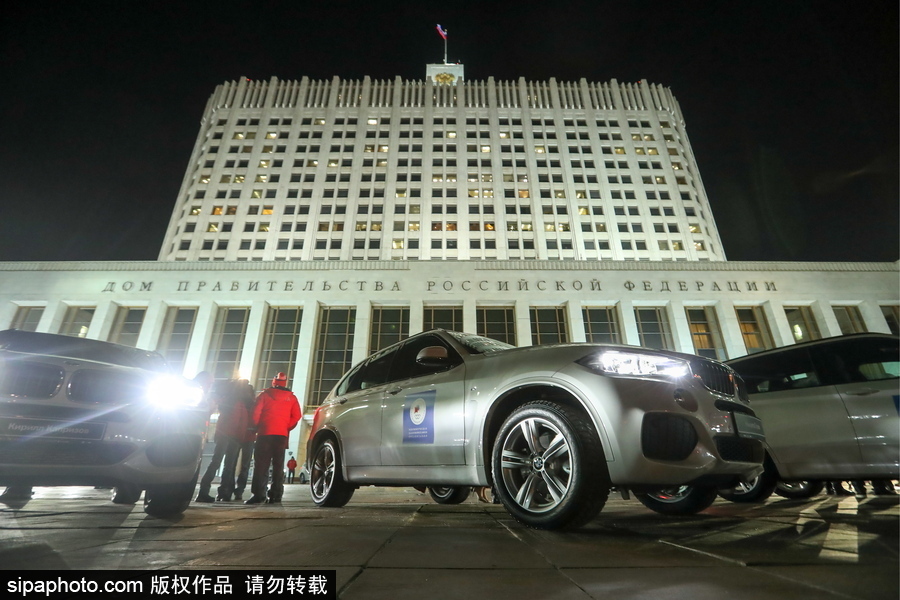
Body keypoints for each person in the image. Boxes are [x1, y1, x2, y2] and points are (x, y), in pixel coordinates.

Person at [244, 373, 301, 505]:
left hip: (264, 434)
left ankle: (258, 494)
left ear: (273, 381)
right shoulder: (292, 398)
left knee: (261, 465)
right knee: (278, 465)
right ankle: (276, 495)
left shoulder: (264, 395)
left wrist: (257, 426)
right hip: (281, 435)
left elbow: (255, 414)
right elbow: (297, 416)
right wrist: (285, 427)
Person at [196, 378, 245, 503]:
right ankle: (224, 493)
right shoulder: (238, 402)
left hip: (224, 435)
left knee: (215, 463)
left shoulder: (226, 401)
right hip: (232, 437)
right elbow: (237, 421)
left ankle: (204, 491)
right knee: (228, 466)